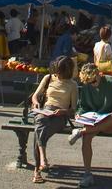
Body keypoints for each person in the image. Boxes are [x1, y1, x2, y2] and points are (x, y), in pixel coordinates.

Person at [69, 63, 112, 188]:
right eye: (89, 82)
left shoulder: (111, 82)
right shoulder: (86, 86)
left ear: (99, 74)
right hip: (93, 121)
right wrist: (79, 115)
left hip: (108, 122)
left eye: (94, 81)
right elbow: (82, 106)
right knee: (87, 139)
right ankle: (87, 175)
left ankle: (81, 131)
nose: (92, 84)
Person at [30, 55, 78, 184]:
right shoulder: (48, 78)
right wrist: (36, 104)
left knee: (38, 130)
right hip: (45, 110)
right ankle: (42, 161)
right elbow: (35, 96)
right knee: (41, 122)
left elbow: (73, 110)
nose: (57, 73)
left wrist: (63, 111)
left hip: (60, 115)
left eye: (60, 71)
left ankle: (38, 169)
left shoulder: (73, 85)